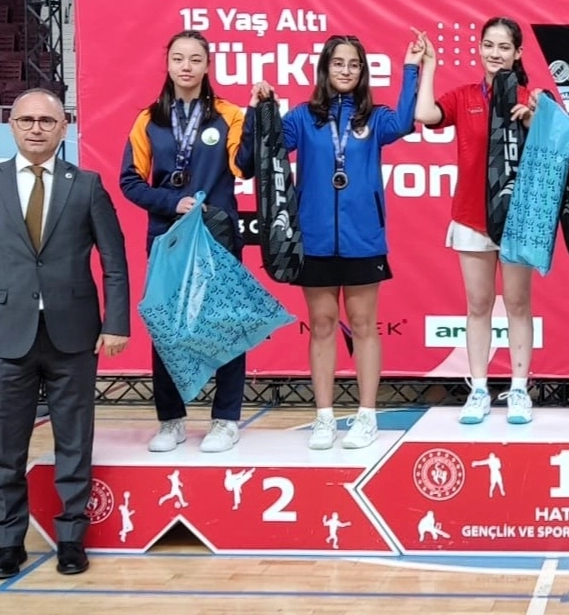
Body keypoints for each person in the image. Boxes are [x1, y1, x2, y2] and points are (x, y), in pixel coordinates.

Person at [250, 33, 421, 450]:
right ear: (325, 68)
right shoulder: (303, 118)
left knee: (363, 325)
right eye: (338, 63)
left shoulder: (374, 118)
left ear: (363, 72)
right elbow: (265, 149)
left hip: (364, 240)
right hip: (314, 241)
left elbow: (405, 121)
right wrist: (260, 110)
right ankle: (324, 417)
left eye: (354, 64)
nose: (346, 70)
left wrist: (412, 68)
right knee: (323, 325)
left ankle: (366, 416)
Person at [0, 88, 130, 578]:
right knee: (5, 447)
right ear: (12, 126)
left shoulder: (87, 186)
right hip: (7, 333)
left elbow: (114, 263)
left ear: (64, 127)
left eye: (46, 121)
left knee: (74, 442)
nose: (36, 128)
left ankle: (72, 538)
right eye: (26, 120)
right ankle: (7, 540)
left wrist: (116, 323)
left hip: (74, 335)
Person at [120, 30, 254, 454]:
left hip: (216, 235)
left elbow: (244, 167)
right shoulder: (149, 120)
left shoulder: (229, 114)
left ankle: (226, 420)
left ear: (208, 66)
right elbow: (129, 182)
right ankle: (171, 421)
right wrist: (170, 202)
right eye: (178, 58)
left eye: (195, 59)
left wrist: (257, 116)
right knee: (167, 329)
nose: (186, 66)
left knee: (225, 325)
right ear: (168, 64)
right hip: (169, 239)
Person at [413, 18, 539, 425]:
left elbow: (556, 147)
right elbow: (424, 113)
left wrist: (534, 120)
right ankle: (479, 389)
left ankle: (518, 389)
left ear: (518, 53)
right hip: (472, 217)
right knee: (478, 305)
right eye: (488, 45)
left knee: (518, 304)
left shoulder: (533, 97)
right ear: (480, 49)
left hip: (517, 218)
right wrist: (429, 66)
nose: (495, 53)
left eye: (504, 47)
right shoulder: (464, 96)